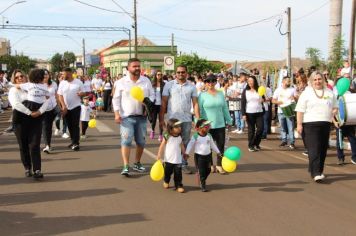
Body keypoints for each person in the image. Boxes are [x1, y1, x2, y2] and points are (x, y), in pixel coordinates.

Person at [112, 58, 155, 176]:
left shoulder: (146, 81)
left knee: (141, 141)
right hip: (126, 117)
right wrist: (116, 114)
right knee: (126, 140)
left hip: (142, 116)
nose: (137, 68)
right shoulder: (121, 82)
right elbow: (116, 99)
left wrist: (148, 102)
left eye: (138, 66)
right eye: (134, 66)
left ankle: (137, 163)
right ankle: (126, 165)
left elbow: (152, 94)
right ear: (128, 68)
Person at [295, 71, 338, 182]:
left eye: (319, 79)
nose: (317, 81)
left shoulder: (329, 92)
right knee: (314, 149)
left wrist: (334, 111)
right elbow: (300, 110)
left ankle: (318, 170)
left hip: (325, 123)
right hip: (309, 124)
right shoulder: (306, 93)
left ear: (323, 80)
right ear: (311, 81)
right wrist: (299, 124)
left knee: (322, 149)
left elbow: (335, 106)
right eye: (315, 79)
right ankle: (316, 173)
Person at [160, 65, 200, 174]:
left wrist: (198, 119)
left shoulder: (192, 87)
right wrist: (161, 118)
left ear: (187, 73)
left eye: (183, 72)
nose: (180, 74)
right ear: (175, 73)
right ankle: (168, 163)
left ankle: (183, 164)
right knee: (170, 142)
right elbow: (164, 102)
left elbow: (195, 104)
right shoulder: (169, 85)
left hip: (186, 119)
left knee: (185, 142)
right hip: (173, 120)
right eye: (178, 72)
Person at [11, 69, 49, 179]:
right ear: (14, 79)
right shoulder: (14, 90)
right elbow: (16, 104)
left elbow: (47, 100)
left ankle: (37, 170)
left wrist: (40, 111)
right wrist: (29, 112)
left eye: (21, 76)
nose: (20, 78)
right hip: (20, 120)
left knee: (35, 144)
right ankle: (27, 167)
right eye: (17, 77)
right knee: (23, 146)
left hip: (35, 118)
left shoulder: (34, 86)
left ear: (26, 77)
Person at [198, 74, 232, 174]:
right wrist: (198, 122)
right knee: (208, 146)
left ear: (216, 82)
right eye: (208, 81)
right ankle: (210, 165)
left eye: (213, 81)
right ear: (205, 83)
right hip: (207, 126)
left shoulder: (221, 94)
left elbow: (225, 108)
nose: (210, 83)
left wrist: (229, 121)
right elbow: (199, 109)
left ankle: (219, 165)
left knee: (220, 146)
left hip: (220, 124)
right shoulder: (202, 95)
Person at [185, 119, 221, 192]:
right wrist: (187, 153)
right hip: (199, 157)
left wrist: (218, 152)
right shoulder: (195, 136)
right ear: (200, 128)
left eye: (209, 126)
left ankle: (201, 178)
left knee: (208, 170)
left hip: (208, 156)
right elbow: (190, 145)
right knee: (202, 171)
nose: (209, 127)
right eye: (206, 126)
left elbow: (212, 144)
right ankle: (203, 185)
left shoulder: (209, 135)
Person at [57, 68, 85, 151]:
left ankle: (76, 143)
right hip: (66, 108)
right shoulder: (62, 83)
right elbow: (60, 95)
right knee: (69, 125)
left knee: (75, 125)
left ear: (69, 73)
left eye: (63, 74)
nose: (62, 76)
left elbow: (84, 92)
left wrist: (81, 94)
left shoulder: (78, 82)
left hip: (76, 106)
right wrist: (63, 106)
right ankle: (73, 141)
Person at [156, 118, 186, 193]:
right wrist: (159, 154)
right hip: (168, 160)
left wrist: (184, 153)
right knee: (167, 172)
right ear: (171, 128)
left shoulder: (179, 137)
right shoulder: (167, 136)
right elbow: (162, 145)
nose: (179, 128)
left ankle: (179, 185)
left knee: (178, 174)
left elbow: (181, 145)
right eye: (176, 127)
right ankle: (166, 181)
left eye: (179, 126)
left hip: (177, 160)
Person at [272, 76, 297, 149]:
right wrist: (278, 102)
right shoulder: (278, 90)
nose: (289, 82)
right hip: (281, 111)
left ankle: (292, 142)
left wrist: (294, 97)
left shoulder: (292, 89)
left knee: (290, 127)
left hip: (289, 111)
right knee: (282, 127)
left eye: (290, 81)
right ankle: (284, 140)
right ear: (283, 82)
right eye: (288, 81)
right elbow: (273, 100)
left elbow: (297, 97)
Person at [241, 76, 264, 152]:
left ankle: (256, 144)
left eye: (252, 81)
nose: (250, 82)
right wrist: (243, 114)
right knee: (251, 130)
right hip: (249, 113)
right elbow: (243, 103)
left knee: (260, 129)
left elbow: (263, 99)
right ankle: (250, 145)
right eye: (249, 81)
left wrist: (263, 99)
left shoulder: (259, 89)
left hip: (259, 112)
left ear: (255, 81)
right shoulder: (245, 91)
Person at [42, 69, 59, 154]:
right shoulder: (38, 84)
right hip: (44, 109)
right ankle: (47, 145)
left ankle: (59, 128)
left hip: (54, 106)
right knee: (46, 128)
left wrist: (60, 105)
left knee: (61, 116)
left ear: (49, 75)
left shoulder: (54, 83)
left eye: (46, 74)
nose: (45, 76)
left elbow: (56, 95)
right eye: (43, 74)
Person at [150, 70, 165, 142]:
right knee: (154, 120)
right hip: (154, 105)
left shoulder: (164, 84)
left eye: (161, 74)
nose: (159, 76)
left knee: (161, 120)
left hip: (161, 105)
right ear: (156, 76)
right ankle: (152, 131)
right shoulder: (152, 84)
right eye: (158, 74)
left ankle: (160, 134)